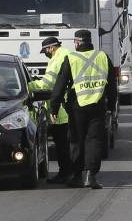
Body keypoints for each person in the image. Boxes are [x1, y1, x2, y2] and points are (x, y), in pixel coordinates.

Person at [50, 29, 117, 189]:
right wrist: (112, 106)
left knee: (76, 140)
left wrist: (54, 107)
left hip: (76, 107)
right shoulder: (102, 56)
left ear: (78, 42)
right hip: (98, 105)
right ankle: (90, 176)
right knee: (94, 140)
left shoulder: (71, 58)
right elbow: (112, 85)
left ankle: (76, 177)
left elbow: (60, 85)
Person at [29, 36, 74, 184]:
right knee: (68, 143)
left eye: (46, 51)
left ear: (51, 48)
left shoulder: (57, 58)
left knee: (61, 144)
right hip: (68, 105)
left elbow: (48, 84)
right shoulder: (66, 53)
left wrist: (30, 86)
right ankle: (70, 172)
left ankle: (65, 173)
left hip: (60, 109)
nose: (46, 54)